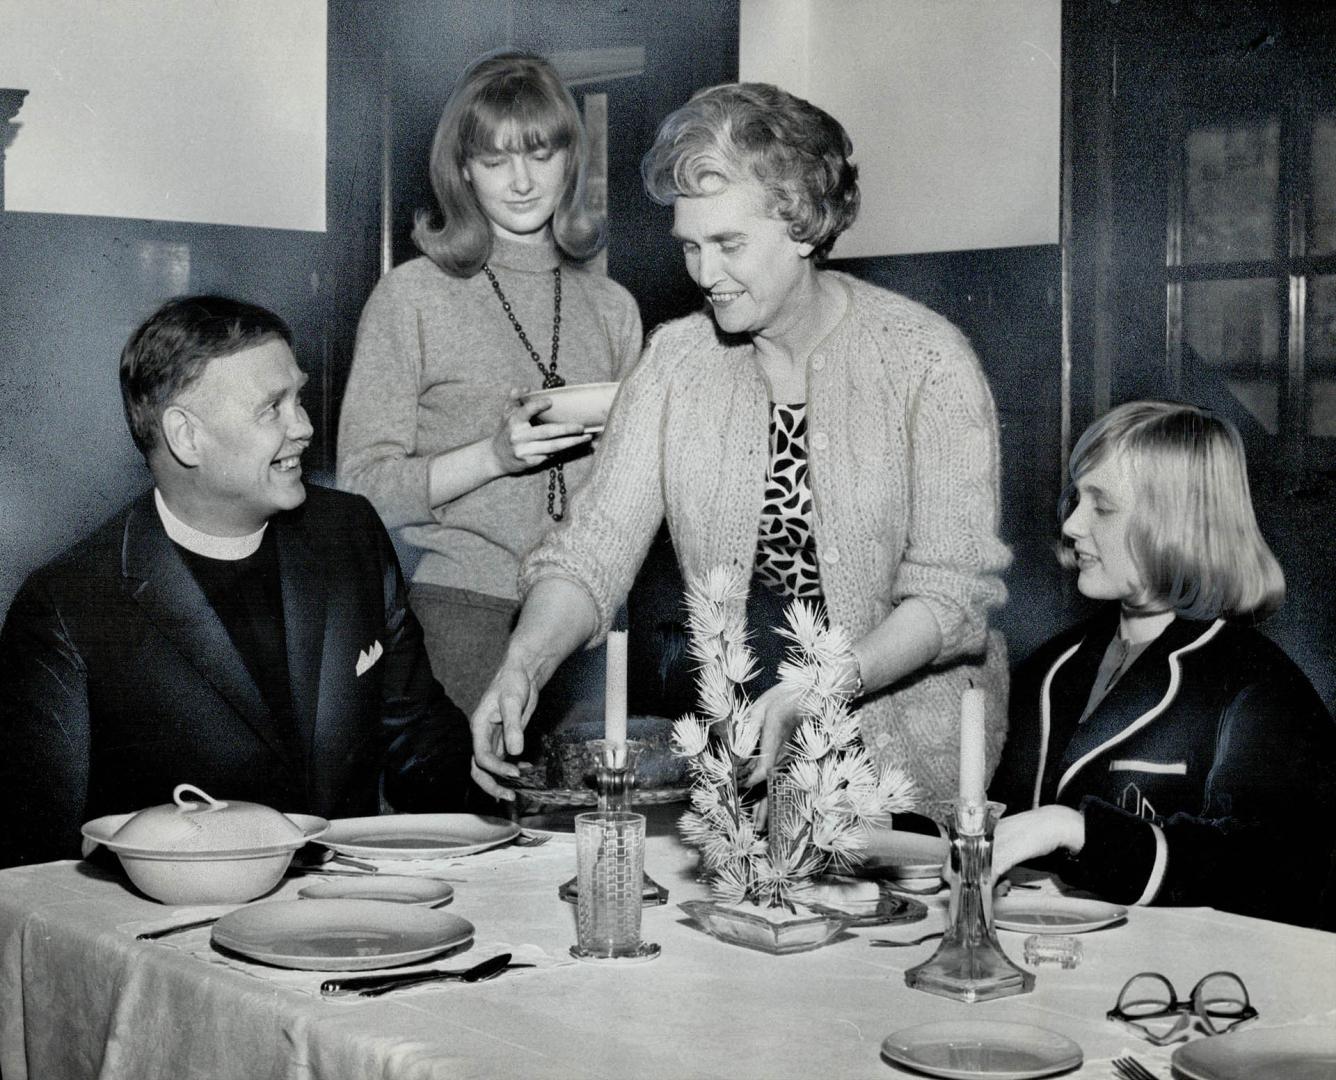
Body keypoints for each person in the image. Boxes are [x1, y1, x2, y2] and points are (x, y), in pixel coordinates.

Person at [468, 82, 1012, 806]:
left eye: (729, 244)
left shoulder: (927, 361)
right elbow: (592, 550)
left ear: (804, 225)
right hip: (746, 745)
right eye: (690, 246)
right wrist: (523, 664)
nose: (703, 273)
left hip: (911, 762)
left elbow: (949, 596)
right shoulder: (676, 362)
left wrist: (818, 690)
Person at [0, 296, 468, 867]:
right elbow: (39, 867)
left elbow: (420, 741)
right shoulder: (68, 606)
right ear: (185, 437)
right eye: (273, 408)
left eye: (297, 397)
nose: (305, 426)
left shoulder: (348, 533)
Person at [336, 51, 642, 732]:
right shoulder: (410, 297)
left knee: (584, 831)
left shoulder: (613, 306)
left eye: (540, 152)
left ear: (571, 159)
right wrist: (494, 457)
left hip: (585, 623)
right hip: (456, 614)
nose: (523, 180)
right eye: (498, 158)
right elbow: (358, 489)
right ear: (463, 169)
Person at [990, 400, 1336, 928]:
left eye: (1102, 508)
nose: (1073, 525)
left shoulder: (1259, 688)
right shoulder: (1050, 665)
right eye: (1075, 500)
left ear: (1173, 523)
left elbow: (1279, 871)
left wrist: (1078, 830)